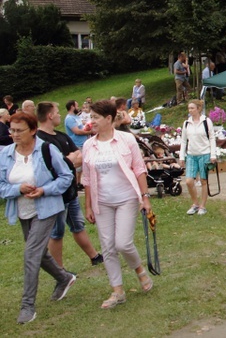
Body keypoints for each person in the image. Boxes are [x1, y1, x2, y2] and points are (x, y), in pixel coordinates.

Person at [0, 112, 77, 324]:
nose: (14, 134)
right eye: (11, 130)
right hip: (23, 211)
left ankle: (27, 307)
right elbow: (2, 186)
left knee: (31, 254)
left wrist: (44, 190)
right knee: (39, 253)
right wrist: (18, 189)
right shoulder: (5, 154)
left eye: (19, 130)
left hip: (47, 208)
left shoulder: (47, 149)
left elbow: (66, 176)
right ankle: (64, 278)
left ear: (32, 130)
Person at [82, 99, 154, 309]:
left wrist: (145, 197)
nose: (91, 121)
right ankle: (118, 291)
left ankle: (139, 270)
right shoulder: (88, 145)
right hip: (101, 201)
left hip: (126, 198)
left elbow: (139, 169)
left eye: (95, 117)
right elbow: (86, 179)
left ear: (108, 119)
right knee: (108, 247)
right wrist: (88, 206)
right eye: (90, 117)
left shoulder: (126, 140)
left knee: (122, 243)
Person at [36, 102, 103, 268]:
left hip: (70, 192)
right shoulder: (40, 140)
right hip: (55, 194)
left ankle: (94, 256)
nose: (59, 115)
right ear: (50, 115)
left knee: (77, 225)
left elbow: (80, 155)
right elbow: (49, 166)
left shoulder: (61, 136)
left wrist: (66, 161)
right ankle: (60, 271)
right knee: (57, 232)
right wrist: (68, 160)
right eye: (57, 112)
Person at [179, 99, 217, 216]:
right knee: (189, 181)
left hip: (204, 153)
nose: (190, 110)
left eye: (192, 108)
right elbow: (184, 141)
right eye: (189, 108)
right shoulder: (187, 123)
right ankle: (195, 203)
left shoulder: (206, 121)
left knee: (203, 180)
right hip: (191, 155)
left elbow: (212, 138)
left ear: (198, 109)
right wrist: (181, 157)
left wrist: (213, 154)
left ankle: (202, 206)